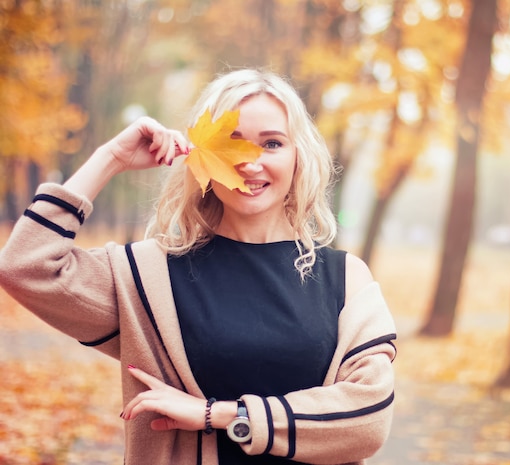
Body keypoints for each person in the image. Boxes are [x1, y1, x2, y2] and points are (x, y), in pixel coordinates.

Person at [0, 68, 396, 465]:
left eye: (272, 143)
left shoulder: (345, 278)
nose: (250, 163)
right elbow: (25, 268)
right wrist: (111, 158)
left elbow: (369, 418)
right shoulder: (150, 278)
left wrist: (221, 415)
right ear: (200, 156)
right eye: (230, 143)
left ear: (298, 157)